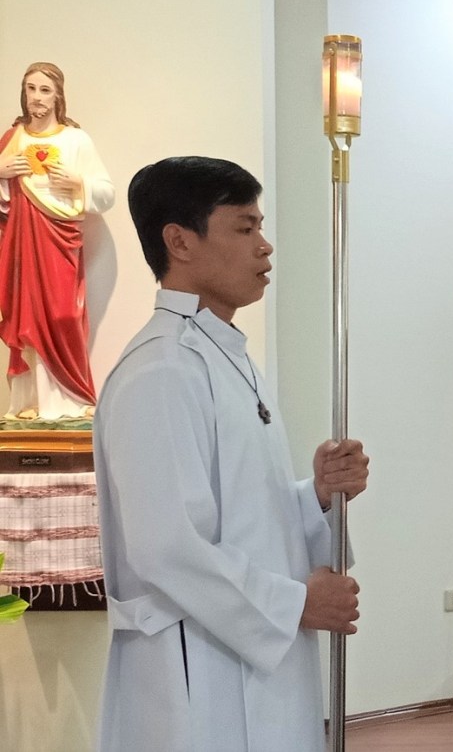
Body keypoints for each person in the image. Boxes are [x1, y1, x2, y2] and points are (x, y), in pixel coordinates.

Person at [93, 156, 370, 752]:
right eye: (245, 228)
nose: (264, 246)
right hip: (197, 672)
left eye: (260, 226)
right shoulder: (159, 371)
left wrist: (317, 496)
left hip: (251, 658)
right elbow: (167, 545)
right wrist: (295, 602)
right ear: (179, 241)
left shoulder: (227, 356)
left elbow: (245, 519)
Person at [0, 62, 114, 419]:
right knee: (26, 318)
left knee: (64, 314)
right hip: (21, 245)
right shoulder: (12, 139)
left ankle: (72, 400)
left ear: (58, 96)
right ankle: (30, 403)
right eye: (31, 88)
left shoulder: (76, 140)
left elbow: (107, 193)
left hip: (59, 242)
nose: (37, 97)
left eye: (45, 90)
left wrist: (78, 182)